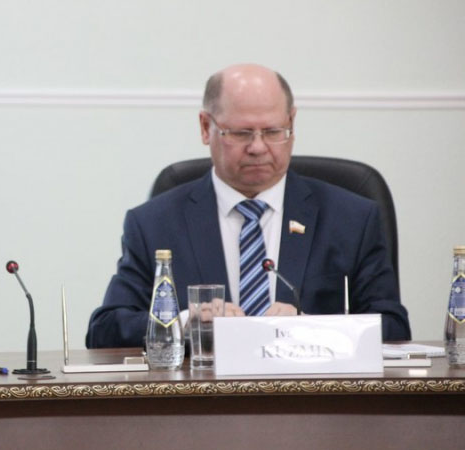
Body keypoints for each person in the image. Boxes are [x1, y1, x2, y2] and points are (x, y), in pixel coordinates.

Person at [86, 63, 411, 348]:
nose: (258, 147)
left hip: (313, 394)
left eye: (273, 131)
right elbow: (105, 330)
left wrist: (311, 328)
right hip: (202, 395)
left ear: (292, 123)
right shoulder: (155, 223)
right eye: (241, 133)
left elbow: (394, 328)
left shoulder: (351, 219)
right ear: (205, 127)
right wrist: (183, 323)